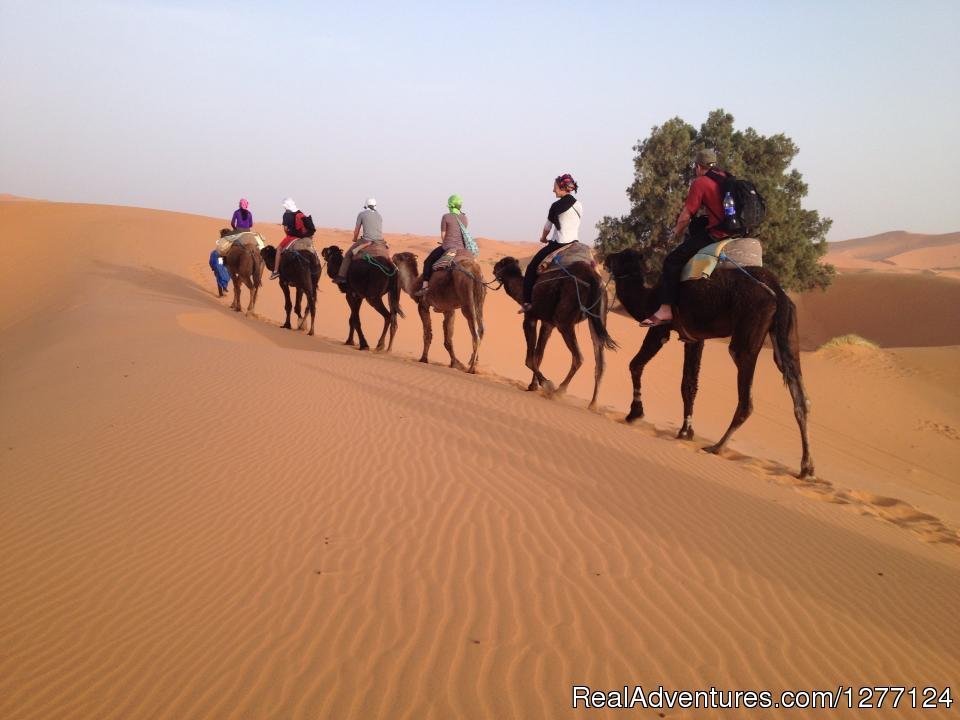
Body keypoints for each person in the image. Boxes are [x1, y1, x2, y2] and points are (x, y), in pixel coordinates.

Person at [640, 148, 729, 326]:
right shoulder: (726, 178)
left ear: (697, 166)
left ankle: (665, 310)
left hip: (718, 234)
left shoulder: (701, 182)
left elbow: (686, 215)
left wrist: (676, 232)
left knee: (672, 261)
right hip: (737, 232)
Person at [520, 173, 582, 312]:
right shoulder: (579, 205)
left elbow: (547, 227)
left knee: (531, 268)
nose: (553, 190)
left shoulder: (555, 206)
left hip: (559, 243)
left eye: (555, 187)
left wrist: (543, 238)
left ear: (562, 187)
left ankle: (527, 303)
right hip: (575, 243)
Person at [416, 194, 470, 297]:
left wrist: (446, 243)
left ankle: (425, 286)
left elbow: (443, 235)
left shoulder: (446, 217)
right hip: (462, 248)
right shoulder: (465, 218)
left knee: (427, 261)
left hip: (448, 247)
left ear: (450, 205)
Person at [335, 198, 385, 286]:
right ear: (375, 206)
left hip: (366, 240)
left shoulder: (362, 214)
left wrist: (354, 238)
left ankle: (341, 276)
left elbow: (357, 230)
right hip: (380, 242)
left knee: (348, 255)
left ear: (366, 205)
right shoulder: (379, 215)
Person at [271, 197, 311, 280]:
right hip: (303, 237)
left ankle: (275, 271)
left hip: (292, 237)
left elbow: (285, 228)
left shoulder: (287, 214)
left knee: (279, 249)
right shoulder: (300, 213)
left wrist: (288, 234)